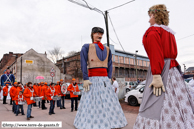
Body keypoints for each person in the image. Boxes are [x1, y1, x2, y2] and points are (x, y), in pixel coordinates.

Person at [133, 4, 194, 129]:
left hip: (161, 69)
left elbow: (156, 53)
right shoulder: (169, 32)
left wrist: (156, 74)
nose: (149, 19)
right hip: (173, 70)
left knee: (156, 100)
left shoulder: (153, 31)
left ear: (155, 15)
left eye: (150, 16)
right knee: (178, 99)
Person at [74, 27, 127, 129]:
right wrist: (85, 78)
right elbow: (83, 63)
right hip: (92, 78)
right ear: (92, 34)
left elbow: (110, 64)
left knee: (108, 102)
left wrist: (108, 77)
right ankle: (91, 123)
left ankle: (110, 122)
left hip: (104, 79)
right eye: (97, 33)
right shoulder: (86, 47)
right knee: (91, 102)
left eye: (101, 34)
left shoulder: (107, 49)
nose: (100, 35)